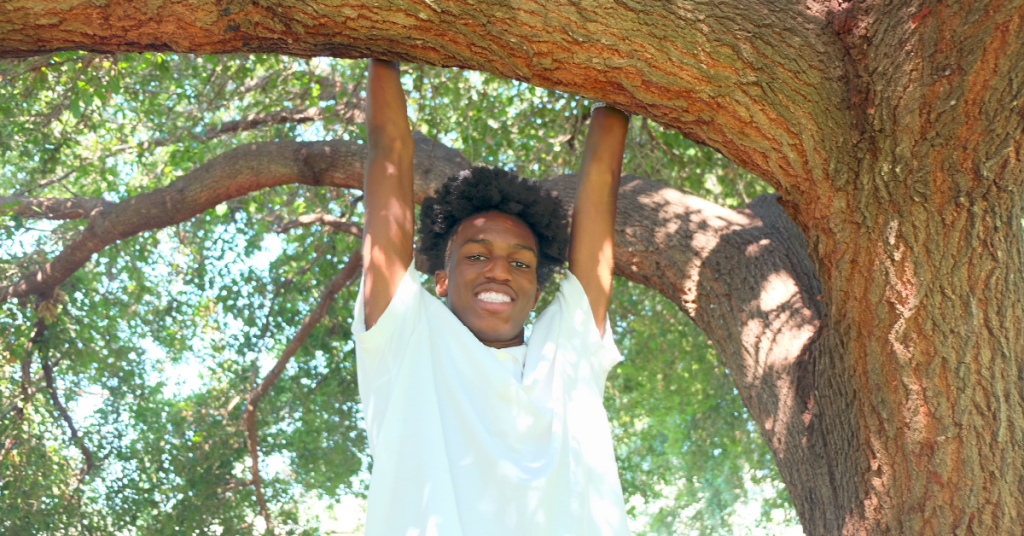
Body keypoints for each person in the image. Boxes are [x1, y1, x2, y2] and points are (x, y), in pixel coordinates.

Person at [353, 58, 631, 535]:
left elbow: (603, 181)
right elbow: (388, 151)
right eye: (476, 256)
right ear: (440, 280)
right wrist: (383, 49)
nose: (500, 270)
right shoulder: (407, 338)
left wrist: (624, 60)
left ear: (537, 290)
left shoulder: (565, 352)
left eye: (521, 263)